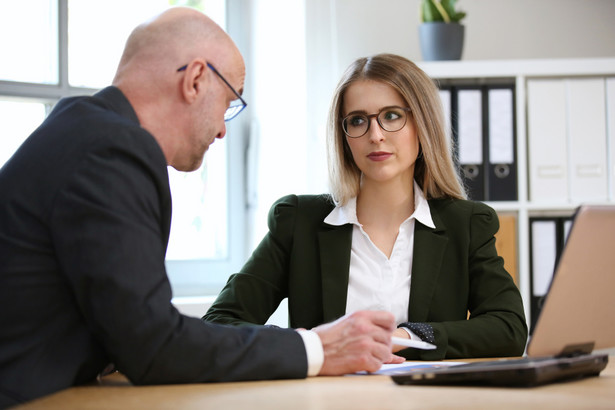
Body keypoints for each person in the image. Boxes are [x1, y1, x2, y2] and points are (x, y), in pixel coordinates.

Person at [0, 9, 402, 408]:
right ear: (194, 80)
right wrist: (317, 348)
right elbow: (153, 344)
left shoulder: (81, 128)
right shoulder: (113, 151)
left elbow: (125, 329)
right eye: (229, 102)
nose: (224, 129)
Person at [204, 53, 529, 360]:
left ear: (423, 124)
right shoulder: (298, 223)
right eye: (358, 120)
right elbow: (219, 323)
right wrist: (316, 346)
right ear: (344, 136)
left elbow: (509, 329)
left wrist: (411, 338)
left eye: (391, 116)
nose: (375, 135)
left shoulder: (466, 224)